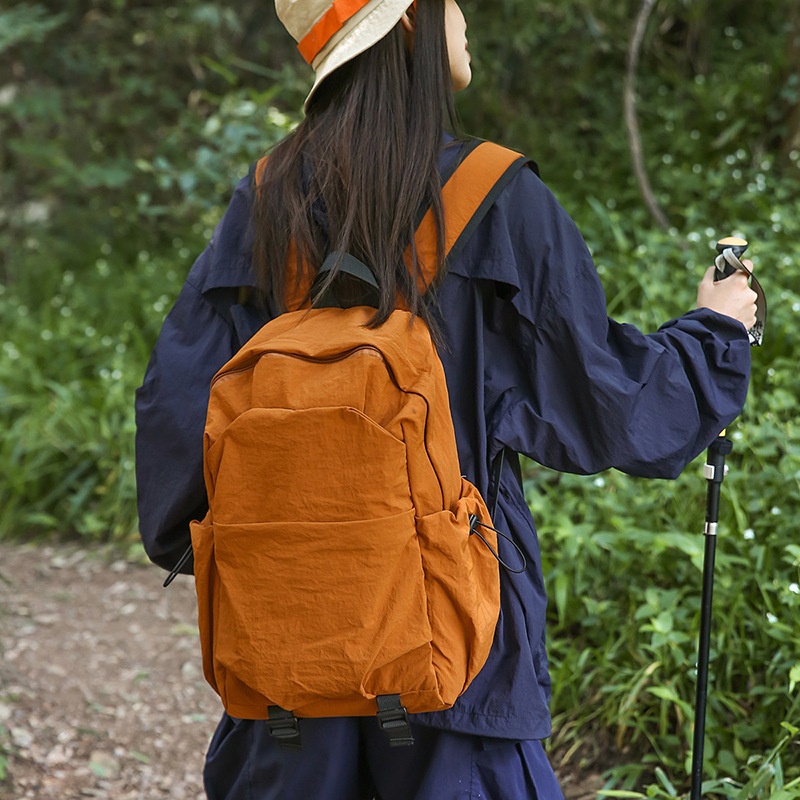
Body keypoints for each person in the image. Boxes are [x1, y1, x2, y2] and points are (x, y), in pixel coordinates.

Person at [134, 0, 758, 797]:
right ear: (408, 23)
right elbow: (611, 407)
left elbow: (175, 428)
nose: (465, 19)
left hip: (286, 673)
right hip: (458, 663)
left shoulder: (262, 204)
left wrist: (285, 550)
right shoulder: (494, 197)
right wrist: (713, 334)